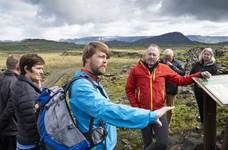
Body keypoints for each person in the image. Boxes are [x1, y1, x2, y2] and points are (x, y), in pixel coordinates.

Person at [69, 41, 174, 150]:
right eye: (101, 57)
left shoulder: (92, 82)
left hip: (102, 143)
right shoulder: (81, 87)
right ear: (87, 58)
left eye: (106, 58)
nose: (105, 61)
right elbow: (107, 110)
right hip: (95, 146)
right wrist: (149, 116)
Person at [125, 44, 211, 150]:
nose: (151, 57)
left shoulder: (164, 68)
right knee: (147, 143)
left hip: (159, 111)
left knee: (163, 143)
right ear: (145, 55)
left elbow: (181, 80)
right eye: (149, 54)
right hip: (143, 112)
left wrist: (198, 75)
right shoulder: (136, 70)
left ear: (158, 57)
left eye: (154, 54)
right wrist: (136, 107)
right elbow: (129, 89)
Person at [11, 54, 45, 150]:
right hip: (31, 143)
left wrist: (39, 89)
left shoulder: (20, 83)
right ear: (26, 68)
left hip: (24, 139)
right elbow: (33, 123)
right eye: (38, 68)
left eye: (42, 68)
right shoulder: (26, 92)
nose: (42, 72)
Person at [190, 48, 217, 129]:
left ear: (211, 56)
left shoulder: (213, 66)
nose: (206, 56)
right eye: (205, 54)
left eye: (208, 54)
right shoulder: (197, 64)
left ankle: (208, 122)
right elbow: (191, 74)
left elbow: (215, 79)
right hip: (198, 90)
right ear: (202, 54)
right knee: (200, 105)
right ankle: (202, 122)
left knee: (208, 106)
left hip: (208, 91)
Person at [160, 49, 185, 127]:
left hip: (172, 89)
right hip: (160, 89)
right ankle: (159, 125)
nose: (167, 58)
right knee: (158, 108)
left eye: (169, 57)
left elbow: (182, 73)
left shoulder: (177, 63)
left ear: (172, 56)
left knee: (170, 108)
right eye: (166, 57)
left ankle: (167, 126)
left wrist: (172, 66)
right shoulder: (160, 62)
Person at [0, 54, 21, 150]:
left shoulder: (1, 77)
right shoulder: (16, 83)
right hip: (10, 131)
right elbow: (10, 110)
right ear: (18, 66)